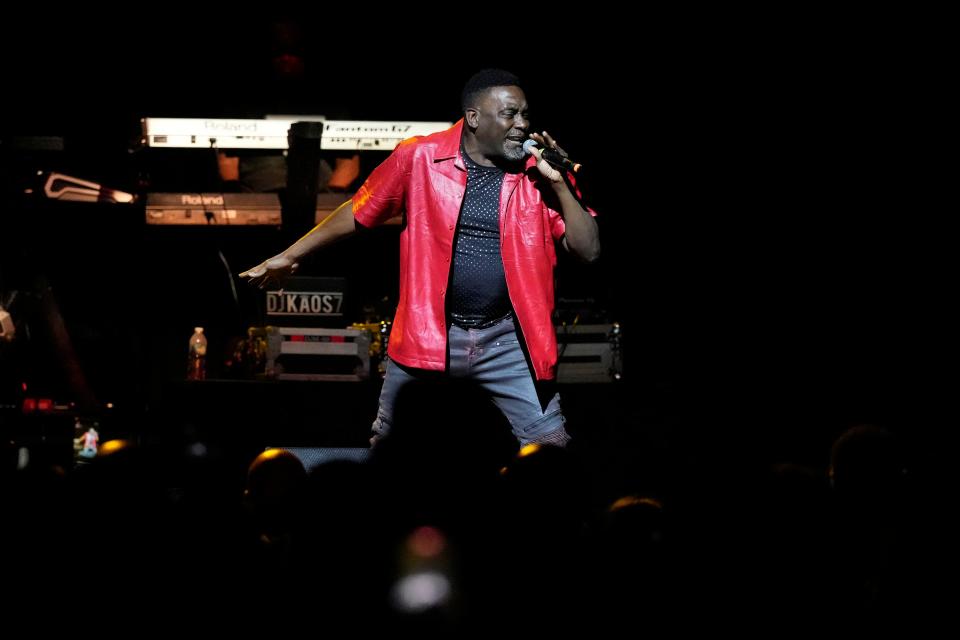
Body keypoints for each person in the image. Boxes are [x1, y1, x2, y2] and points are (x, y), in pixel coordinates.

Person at [240, 69, 600, 448]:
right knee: (391, 449)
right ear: (474, 117)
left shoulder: (538, 174)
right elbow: (360, 211)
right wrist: (290, 254)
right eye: (510, 114)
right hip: (429, 336)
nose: (522, 125)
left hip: (508, 341)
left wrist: (560, 185)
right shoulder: (420, 157)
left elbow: (588, 250)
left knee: (552, 447)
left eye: (526, 115)